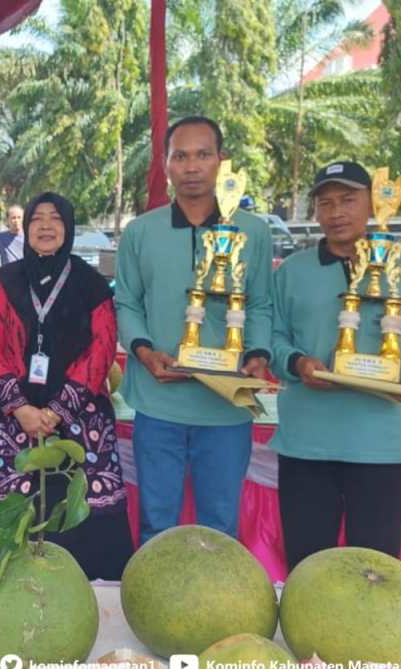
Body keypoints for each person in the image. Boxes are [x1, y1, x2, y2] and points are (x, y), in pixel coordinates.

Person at [115, 116, 273, 545]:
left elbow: (260, 304)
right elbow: (126, 302)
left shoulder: (253, 232)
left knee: (220, 528)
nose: (191, 166)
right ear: (165, 164)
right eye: (180, 156)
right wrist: (145, 352)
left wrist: (257, 353)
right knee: (156, 526)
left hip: (225, 404)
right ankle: (151, 610)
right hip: (159, 403)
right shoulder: (140, 232)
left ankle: (219, 613)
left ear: (221, 160)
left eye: (203, 154)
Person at [0, 193, 132, 580]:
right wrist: (20, 408)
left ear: (69, 227)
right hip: (14, 419)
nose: (45, 226)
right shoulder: (5, 281)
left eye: (55, 218)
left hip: (80, 418)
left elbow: (101, 347)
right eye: (36, 218)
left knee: (82, 510)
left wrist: (59, 410)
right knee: (11, 515)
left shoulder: (91, 284)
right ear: (25, 229)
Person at [271, 161, 401, 569]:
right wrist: (298, 362)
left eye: (348, 200)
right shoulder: (291, 272)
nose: (336, 212)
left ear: (372, 203)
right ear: (316, 211)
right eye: (326, 203)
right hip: (308, 443)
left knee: (375, 571)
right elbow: (272, 337)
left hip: (383, 443)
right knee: (308, 568)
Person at [0, 204, 24, 268]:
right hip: (8, 275)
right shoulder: (0, 237)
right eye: (13, 218)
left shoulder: (30, 237)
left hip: (26, 275)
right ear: (7, 220)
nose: (16, 221)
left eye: (19, 217)